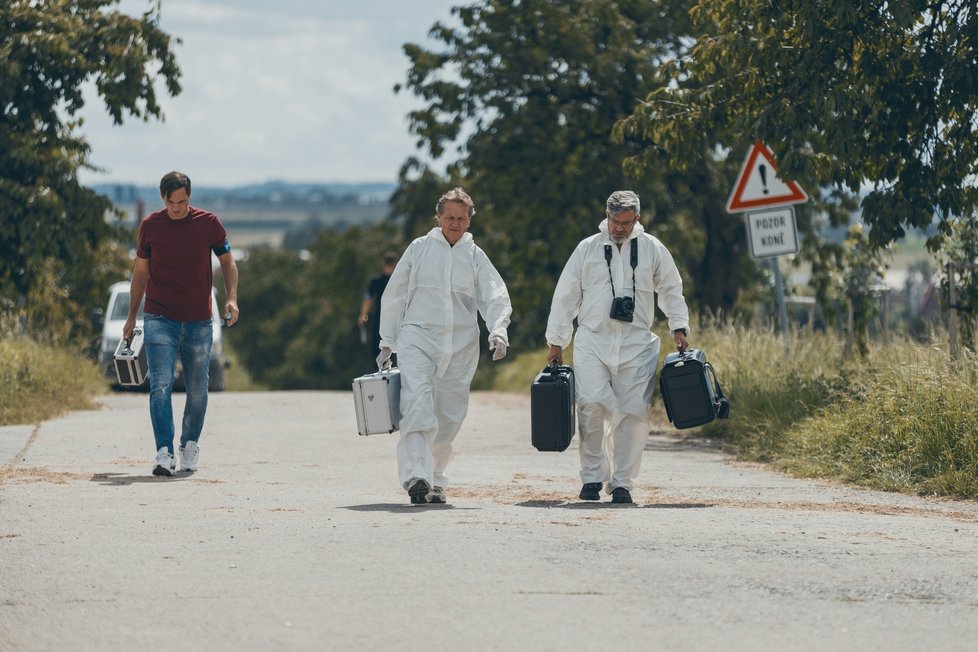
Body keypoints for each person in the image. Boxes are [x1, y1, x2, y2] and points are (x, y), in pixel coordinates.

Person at [545, 190, 690, 504]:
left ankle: (622, 482)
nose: (619, 228)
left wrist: (678, 325)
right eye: (614, 221)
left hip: (637, 342)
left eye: (626, 222)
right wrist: (557, 341)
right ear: (606, 215)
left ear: (637, 219)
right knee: (591, 404)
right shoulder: (587, 248)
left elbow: (671, 288)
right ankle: (592, 477)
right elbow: (566, 295)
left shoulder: (652, 248)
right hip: (592, 340)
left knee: (633, 412)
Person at [377, 187, 512, 504]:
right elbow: (395, 295)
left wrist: (498, 330)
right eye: (449, 217)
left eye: (461, 218)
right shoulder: (419, 249)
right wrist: (387, 341)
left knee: (449, 416)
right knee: (417, 405)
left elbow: (494, 295)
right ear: (438, 217)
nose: (455, 223)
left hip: (462, 346)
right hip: (418, 338)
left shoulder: (475, 256)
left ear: (469, 220)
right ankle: (416, 476)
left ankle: (435, 478)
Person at [123, 171, 240, 477]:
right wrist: (132, 315)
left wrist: (232, 298)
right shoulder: (151, 226)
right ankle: (164, 452)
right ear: (163, 198)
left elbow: (228, 261)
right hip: (159, 317)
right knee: (160, 384)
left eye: (183, 202)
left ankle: (189, 445)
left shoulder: (208, 223)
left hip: (199, 320)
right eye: (172, 202)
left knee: (198, 389)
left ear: (190, 197)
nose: (178, 208)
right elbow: (140, 273)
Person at [357, 251, 398, 356]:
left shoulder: (376, 281)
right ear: (395, 264)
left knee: (378, 345)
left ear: (382, 263)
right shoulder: (399, 280)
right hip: (396, 317)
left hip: (380, 318)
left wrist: (363, 316)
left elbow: (368, 299)